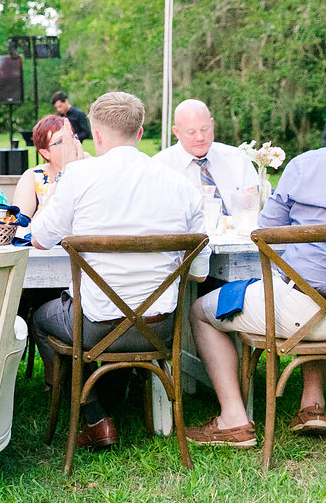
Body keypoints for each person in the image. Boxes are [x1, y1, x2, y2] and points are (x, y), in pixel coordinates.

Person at [30, 91, 209, 450]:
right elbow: (200, 274)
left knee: (39, 316)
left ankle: (95, 415)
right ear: (140, 133)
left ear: (96, 135)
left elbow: (37, 239)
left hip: (95, 328)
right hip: (160, 328)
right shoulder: (181, 184)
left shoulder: (79, 176)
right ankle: (109, 396)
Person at [186, 145, 326, 448]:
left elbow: (266, 230)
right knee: (314, 298)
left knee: (200, 311)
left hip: (300, 309)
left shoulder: (305, 166)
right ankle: (312, 405)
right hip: (313, 310)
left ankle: (234, 420)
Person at [154, 99, 259, 215]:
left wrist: (253, 200)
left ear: (212, 125)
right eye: (191, 132)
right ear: (176, 132)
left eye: (205, 129)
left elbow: (259, 205)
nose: (200, 137)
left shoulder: (237, 158)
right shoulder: (159, 168)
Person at [11, 115, 87, 220]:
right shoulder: (33, 177)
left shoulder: (90, 167)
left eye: (72, 137)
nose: (70, 144)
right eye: (60, 141)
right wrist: (64, 175)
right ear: (45, 153)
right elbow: (20, 225)